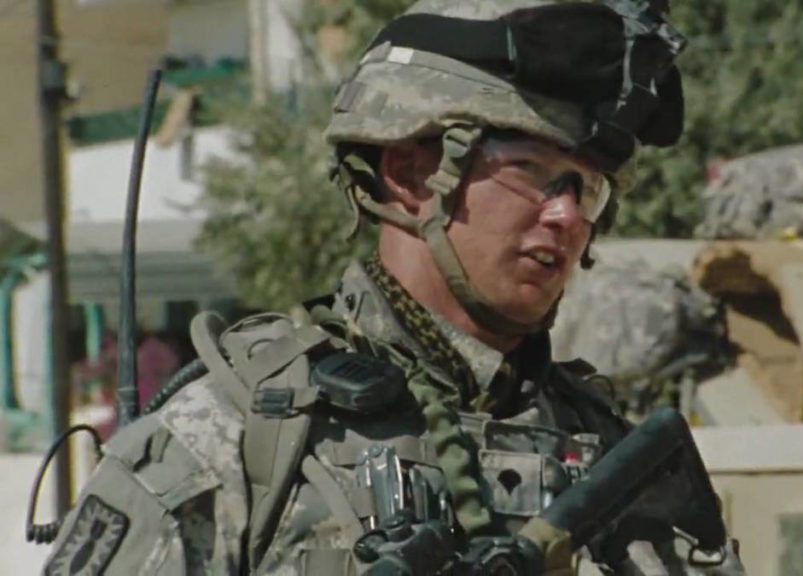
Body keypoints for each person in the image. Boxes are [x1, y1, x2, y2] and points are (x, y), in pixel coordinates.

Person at [42, 1, 744, 574]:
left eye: (585, 188)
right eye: (531, 171)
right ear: (410, 175)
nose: (565, 215)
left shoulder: (615, 454)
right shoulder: (235, 436)